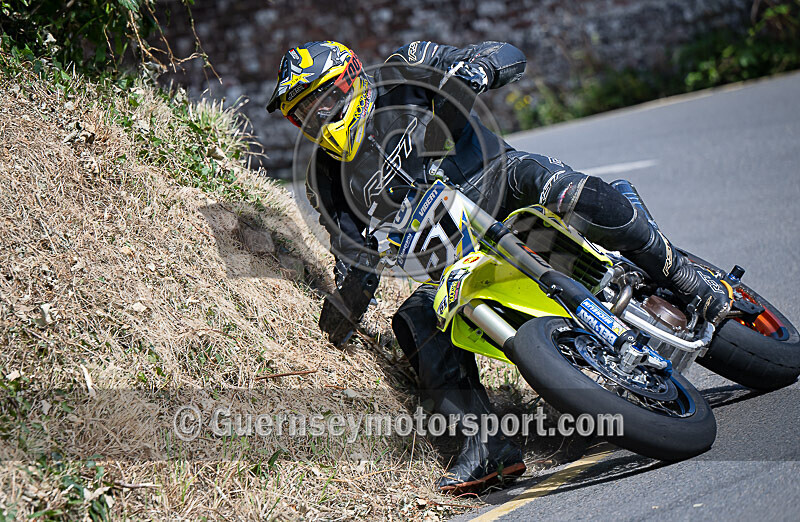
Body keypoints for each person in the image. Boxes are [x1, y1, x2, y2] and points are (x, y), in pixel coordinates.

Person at [266, 40, 731, 493]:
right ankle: (483, 445)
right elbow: (349, 253)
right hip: (451, 253)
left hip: (500, 181)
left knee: (564, 189)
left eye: (325, 97)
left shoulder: (407, 67)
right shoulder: (326, 180)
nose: (320, 115)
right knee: (415, 319)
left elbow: (504, 52)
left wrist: (477, 70)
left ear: (351, 77)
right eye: (305, 112)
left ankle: (684, 278)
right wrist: (343, 306)